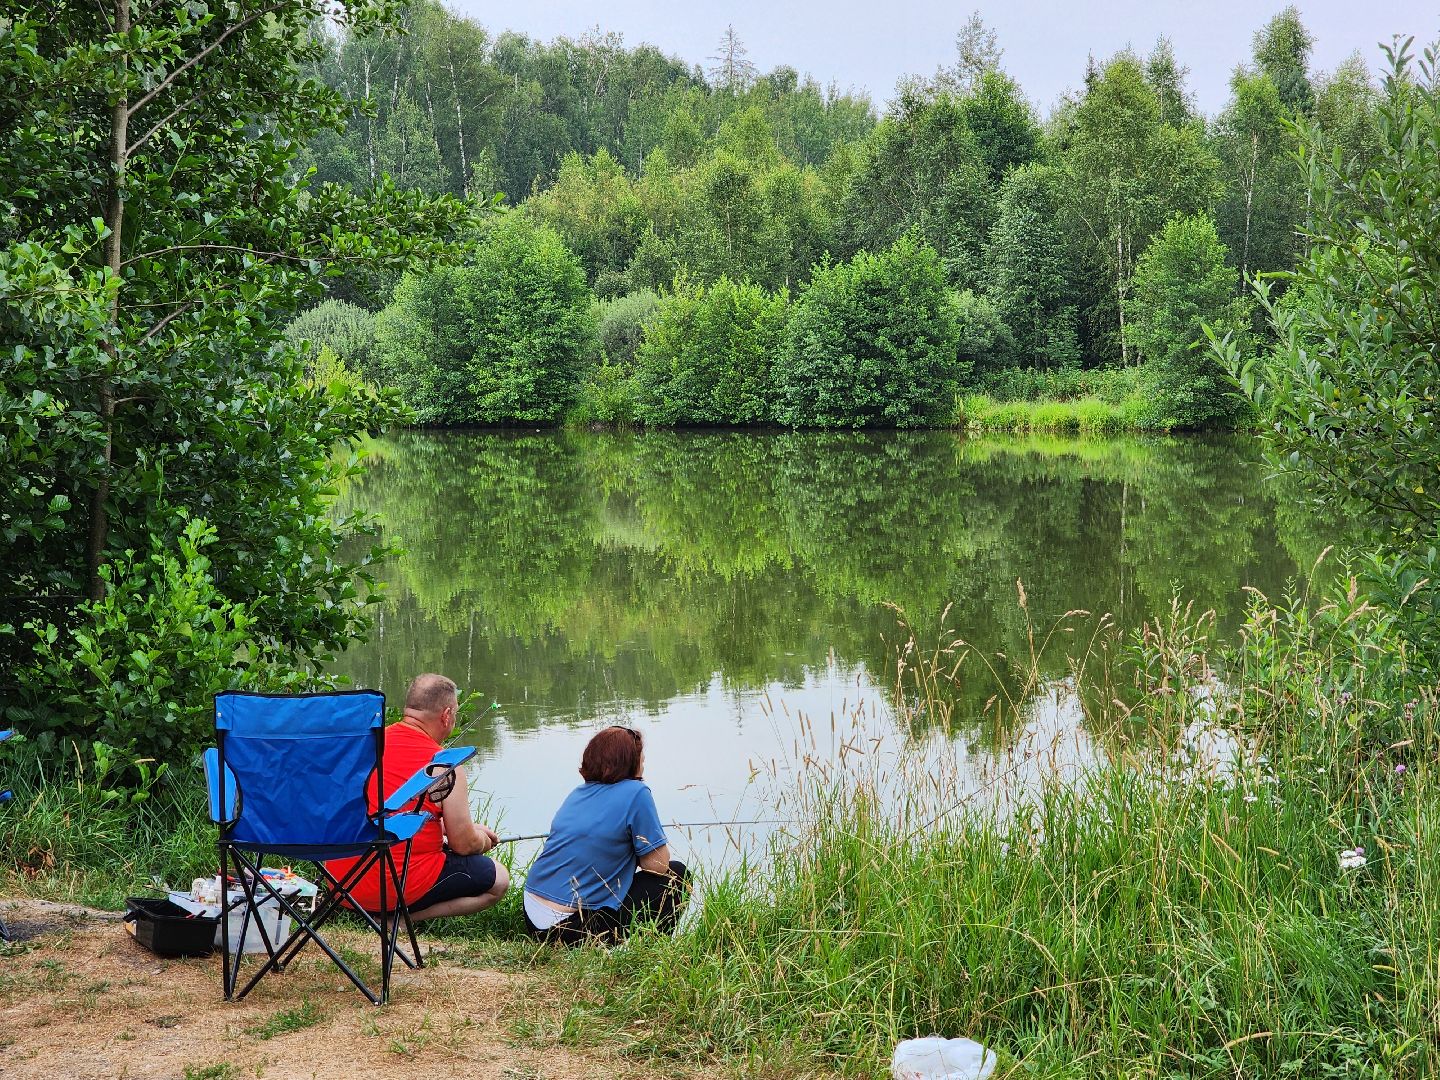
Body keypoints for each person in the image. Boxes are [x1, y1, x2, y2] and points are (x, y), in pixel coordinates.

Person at [326, 673, 509, 922]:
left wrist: (447, 827)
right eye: (454, 714)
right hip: (396, 886)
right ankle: (399, 919)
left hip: (342, 884)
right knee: (499, 880)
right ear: (446, 715)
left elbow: (376, 809)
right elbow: (463, 845)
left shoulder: (363, 748)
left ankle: (376, 913)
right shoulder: (444, 766)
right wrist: (482, 840)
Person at [523, 725, 688, 945]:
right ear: (631, 762)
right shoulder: (637, 793)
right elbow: (657, 865)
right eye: (642, 758)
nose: (644, 763)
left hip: (533, 920)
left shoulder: (577, 793)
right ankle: (652, 953)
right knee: (677, 876)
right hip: (569, 930)